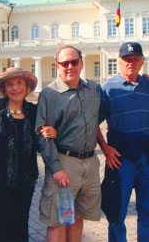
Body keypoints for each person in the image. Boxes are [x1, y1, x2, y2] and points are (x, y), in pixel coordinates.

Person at [0, 67, 57, 242]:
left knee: (21, 225)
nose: (15, 88)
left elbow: (42, 140)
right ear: (4, 89)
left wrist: (53, 132)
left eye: (19, 83)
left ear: (27, 86)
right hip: (0, 182)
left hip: (26, 180)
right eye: (10, 84)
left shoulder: (34, 112)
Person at [36, 45, 102, 241]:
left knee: (77, 216)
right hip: (64, 162)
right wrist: (56, 168)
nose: (70, 66)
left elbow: (98, 118)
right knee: (56, 220)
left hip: (90, 164)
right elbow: (41, 135)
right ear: (57, 66)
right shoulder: (50, 94)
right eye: (65, 63)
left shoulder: (93, 88)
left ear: (81, 63)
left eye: (74, 62)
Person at [98, 42, 149, 242]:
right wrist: (105, 149)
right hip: (120, 156)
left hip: (147, 154)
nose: (131, 63)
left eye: (135, 59)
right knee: (117, 208)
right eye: (127, 59)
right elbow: (93, 123)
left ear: (142, 61)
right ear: (119, 62)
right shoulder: (107, 87)